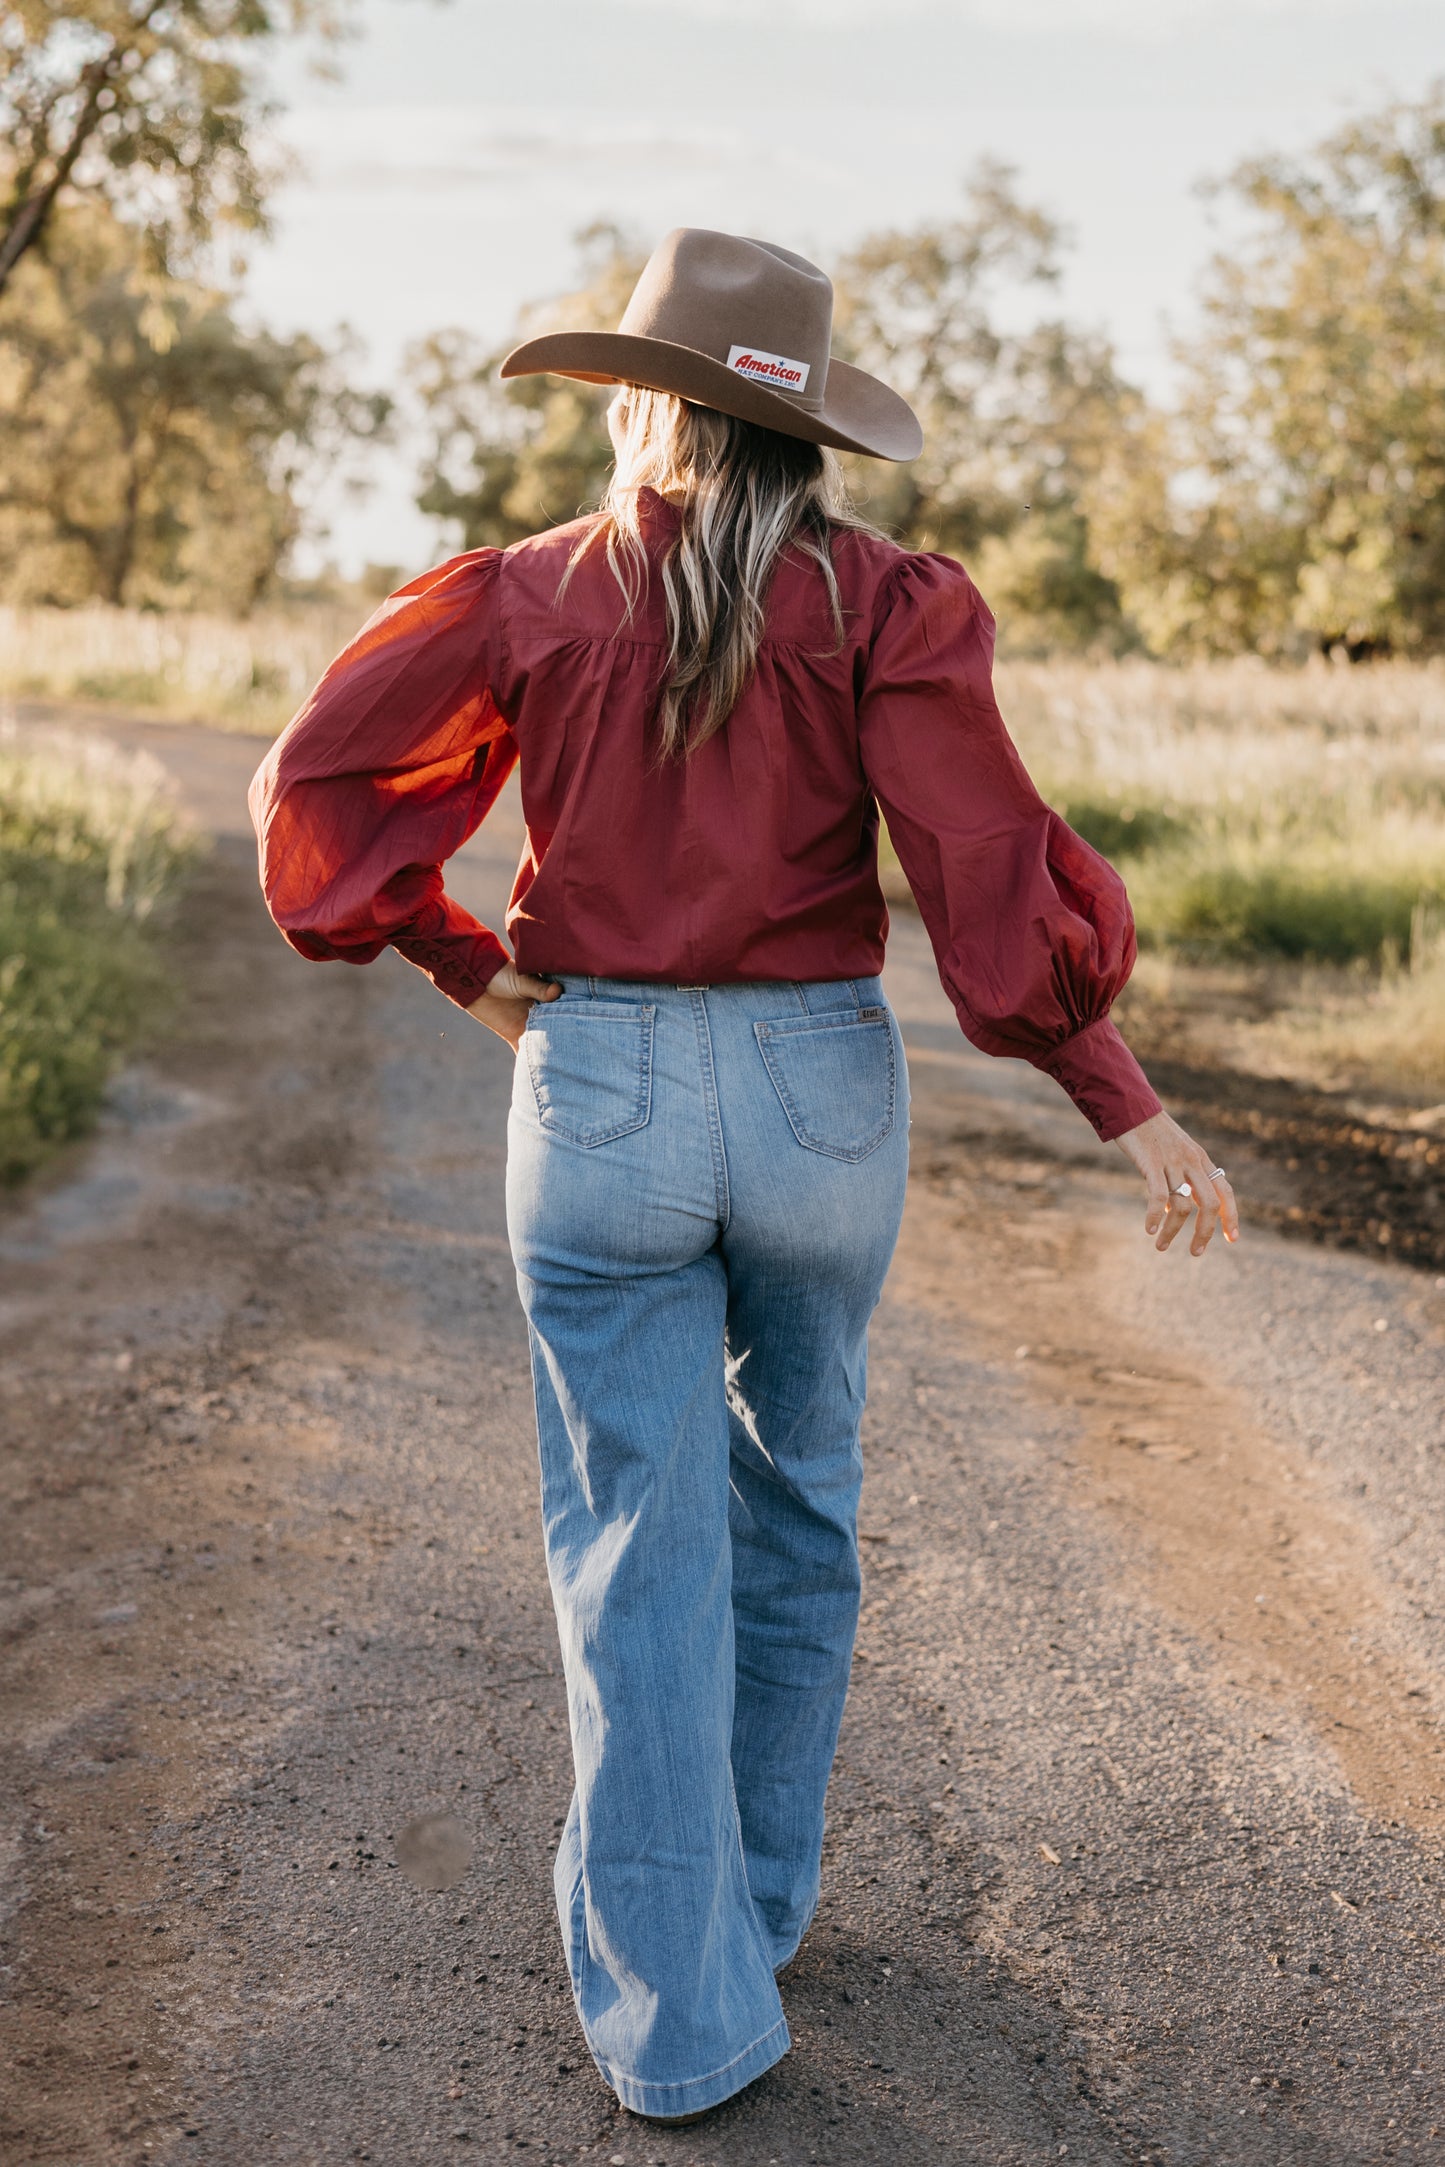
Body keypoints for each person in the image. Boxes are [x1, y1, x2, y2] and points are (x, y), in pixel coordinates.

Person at [248, 227, 1239, 2126]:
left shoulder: (526, 592)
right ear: (807, 437)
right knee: (799, 1514)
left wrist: (465, 961)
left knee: (636, 1546)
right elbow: (978, 865)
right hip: (816, 1101)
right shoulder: (884, 606)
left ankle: (679, 2017)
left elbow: (324, 791)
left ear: (637, 400)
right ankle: (752, 1910)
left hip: (603, 1086)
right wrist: (1115, 1091)